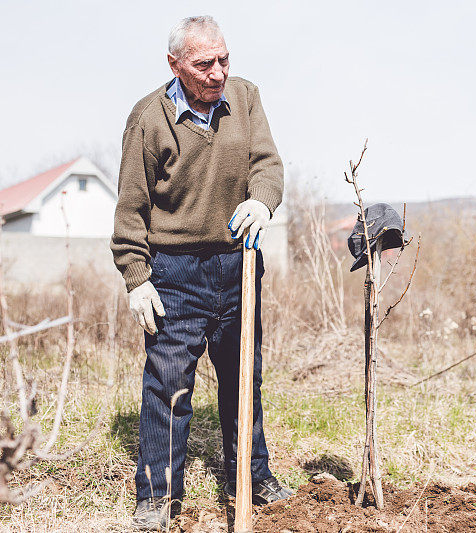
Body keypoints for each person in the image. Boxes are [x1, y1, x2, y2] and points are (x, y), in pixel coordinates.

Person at [110, 15, 292, 531]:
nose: (217, 73)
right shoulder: (149, 118)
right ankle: (159, 498)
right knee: (168, 385)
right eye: (203, 63)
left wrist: (262, 200)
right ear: (175, 65)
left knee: (243, 378)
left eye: (224, 59)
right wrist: (136, 275)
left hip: (238, 263)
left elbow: (268, 165)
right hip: (175, 270)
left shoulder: (245, 97)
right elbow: (131, 206)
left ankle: (254, 477)